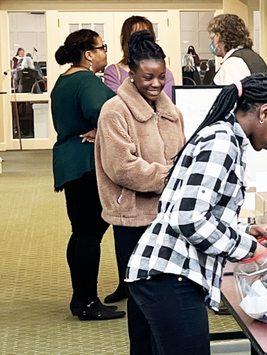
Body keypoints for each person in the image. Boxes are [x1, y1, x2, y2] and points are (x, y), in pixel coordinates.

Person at [125, 73, 267, 354]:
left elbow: (202, 208)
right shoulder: (222, 141)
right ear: (265, 112)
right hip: (171, 275)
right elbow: (189, 218)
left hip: (161, 275)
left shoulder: (223, 136)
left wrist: (243, 229)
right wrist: (247, 248)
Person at [94, 30, 185, 321]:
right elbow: (121, 167)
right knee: (141, 299)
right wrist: (170, 176)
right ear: (131, 74)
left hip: (168, 216)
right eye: (148, 78)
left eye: (161, 76)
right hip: (132, 218)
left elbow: (182, 155)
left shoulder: (172, 112)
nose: (156, 84)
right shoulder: (114, 111)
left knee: (168, 298)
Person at [51, 29, 125, 321]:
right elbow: (105, 111)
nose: (106, 52)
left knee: (82, 232)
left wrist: (99, 128)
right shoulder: (85, 80)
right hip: (85, 165)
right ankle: (86, 302)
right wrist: (102, 129)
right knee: (88, 235)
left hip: (71, 164)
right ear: (89, 54)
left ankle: (81, 298)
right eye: (102, 47)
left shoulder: (65, 79)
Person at [104, 16, 175, 100]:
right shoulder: (113, 72)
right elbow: (117, 102)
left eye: (146, 36)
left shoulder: (166, 74)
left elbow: (166, 103)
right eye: (136, 35)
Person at [208, 14, 267, 85]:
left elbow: (230, 94)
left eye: (212, 38)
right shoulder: (254, 57)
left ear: (220, 37)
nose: (212, 42)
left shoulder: (233, 63)